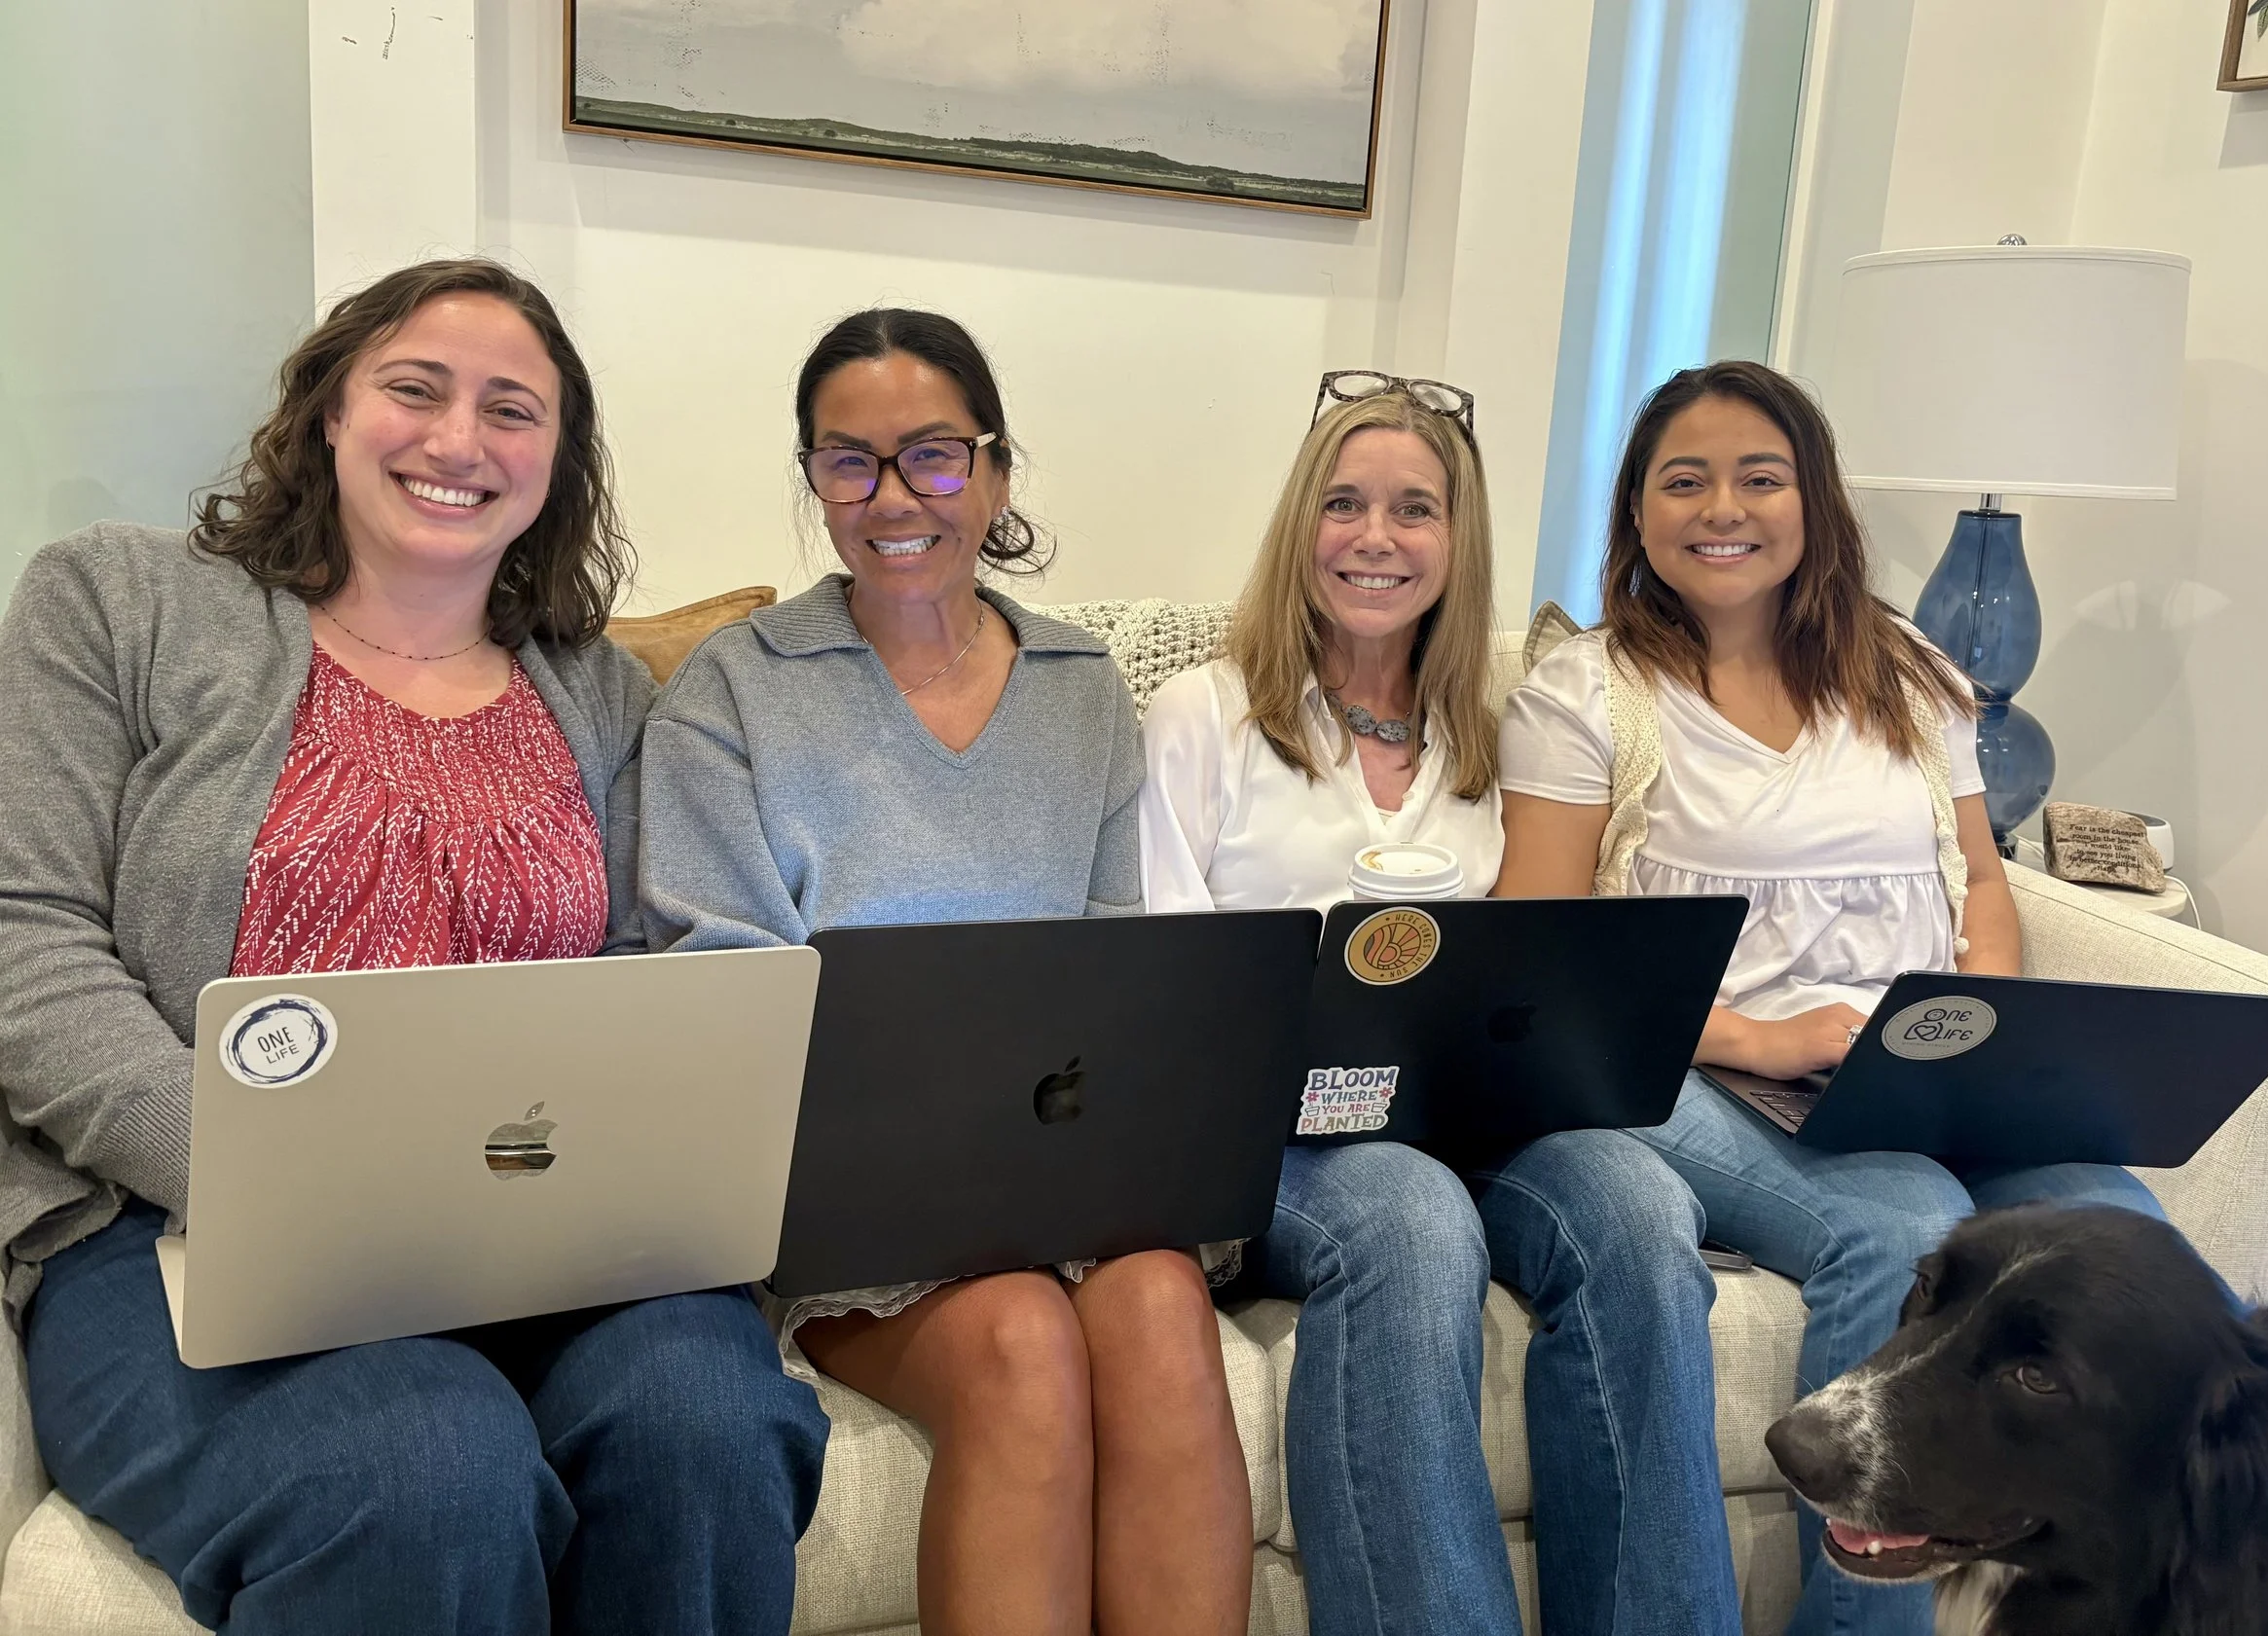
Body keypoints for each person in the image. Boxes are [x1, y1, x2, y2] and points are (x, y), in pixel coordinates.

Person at [0, 259, 828, 1635]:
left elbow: (644, 975)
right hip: (175, 1230)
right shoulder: (117, 602)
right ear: (331, 408)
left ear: (557, 461)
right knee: (426, 1466)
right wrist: (263, 1172)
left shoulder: (602, 693)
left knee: (713, 1420)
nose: (458, 441)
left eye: (511, 409)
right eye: (415, 389)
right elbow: (26, 938)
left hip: (536, 1233)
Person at [1495, 359, 2165, 1636]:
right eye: (1682, 481)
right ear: (1636, 510)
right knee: (1905, 1226)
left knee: (2122, 1232)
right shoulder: (1587, 694)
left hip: (1916, 1058)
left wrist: (1983, 1028)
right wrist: (1763, 1036)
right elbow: (1542, 957)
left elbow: (1982, 878)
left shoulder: (1911, 673)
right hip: (1691, 1066)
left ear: (1815, 500)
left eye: (1760, 477)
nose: (1722, 508)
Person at [638, 309, 1248, 1636]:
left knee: (1161, 1301)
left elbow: (1120, 973)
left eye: (932, 455)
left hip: (1063, 1171)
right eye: (848, 462)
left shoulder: (1083, 687)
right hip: (848, 1198)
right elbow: (717, 994)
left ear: (996, 471)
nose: (893, 497)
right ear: (814, 479)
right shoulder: (732, 691)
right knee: (1020, 1335)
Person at [1138, 373, 1741, 1636]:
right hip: (1277, 1136)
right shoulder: (1205, 716)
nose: (1377, 536)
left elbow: (1533, 972)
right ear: (1300, 526)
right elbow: (1167, 980)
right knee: (1410, 1219)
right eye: (1344, 504)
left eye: (1415, 509)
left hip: (1473, 1120)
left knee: (1641, 1204)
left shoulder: (1496, 739)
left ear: (1457, 543)